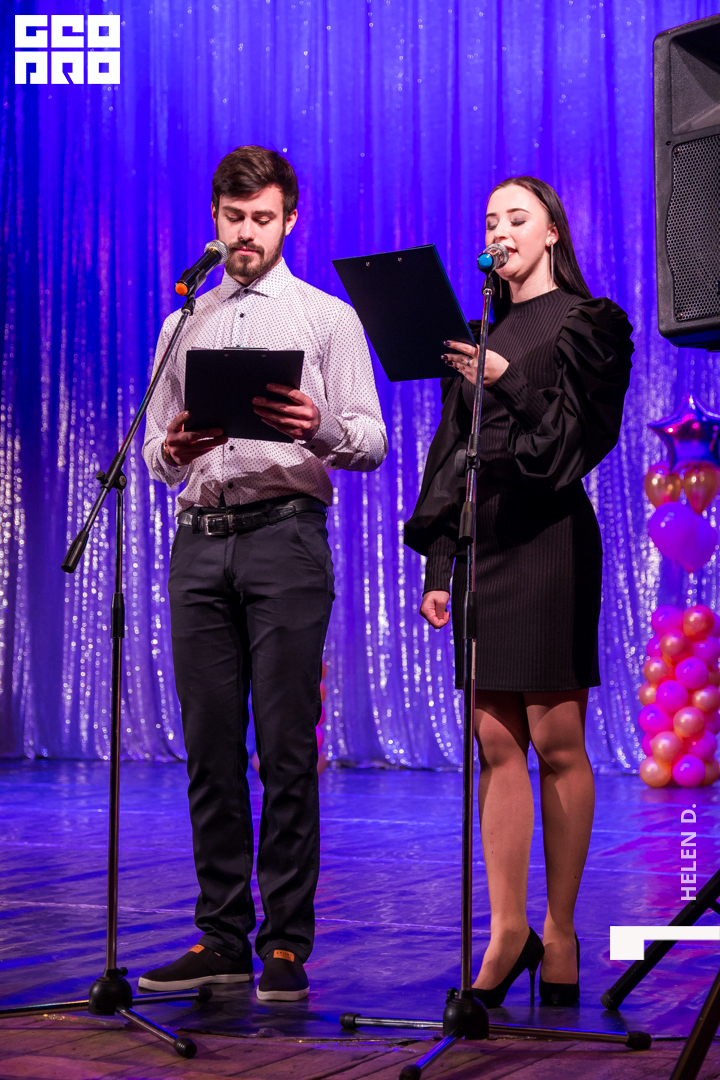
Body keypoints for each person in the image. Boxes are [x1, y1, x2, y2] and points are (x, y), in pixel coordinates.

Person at [140, 146, 387, 1001]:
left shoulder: (326, 318)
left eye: (263, 219)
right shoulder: (183, 323)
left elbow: (371, 439)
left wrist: (318, 427)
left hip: (285, 538)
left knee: (284, 747)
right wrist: (172, 450)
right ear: (215, 219)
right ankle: (220, 937)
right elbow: (152, 448)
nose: (247, 234)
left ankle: (284, 944)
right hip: (199, 541)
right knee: (209, 746)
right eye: (234, 218)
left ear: (290, 221)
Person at [405, 176, 633, 1007]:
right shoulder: (476, 332)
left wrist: (507, 380)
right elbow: (450, 450)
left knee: (556, 739)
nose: (500, 231)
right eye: (490, 220)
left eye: (517, 218)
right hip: (484, 540)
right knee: (494, 742)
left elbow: (573, 445)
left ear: (551, 235)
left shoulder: (588, 323)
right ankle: (509, 932)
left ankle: (560, 928)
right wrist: (439, 562)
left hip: (548, 538)